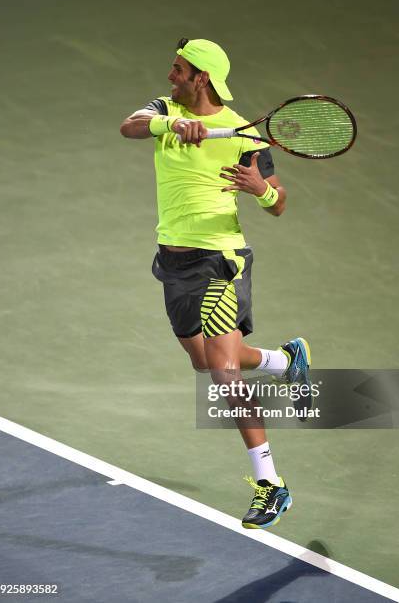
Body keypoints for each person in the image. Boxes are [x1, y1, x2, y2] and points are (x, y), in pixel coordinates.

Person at [120, 38, 311, 529]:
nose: (170, 77)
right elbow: (129, 126)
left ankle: (271, 484)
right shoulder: (163, 109)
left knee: (225, 374)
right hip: (173, 260)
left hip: (222, 260)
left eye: (179, 70)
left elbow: (280, 202)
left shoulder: (248, 135)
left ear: (200, 77)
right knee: (205, 363)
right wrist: (172, 124)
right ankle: (283, 361)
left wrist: (262, 189)